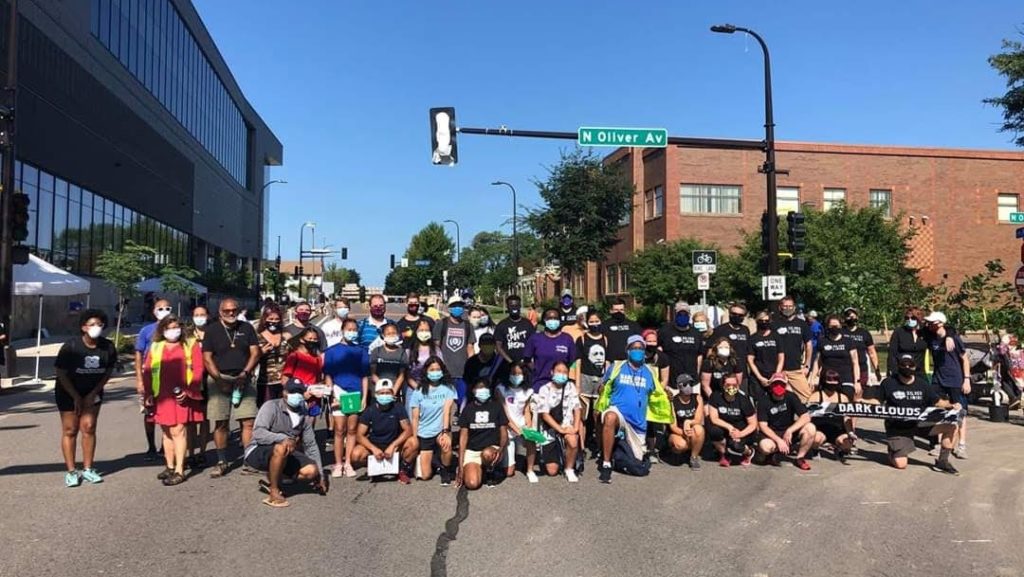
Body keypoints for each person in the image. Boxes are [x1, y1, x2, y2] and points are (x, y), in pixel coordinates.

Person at [55, 309, 117, 487]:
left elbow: (108, 371)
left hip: (92, 391)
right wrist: (75, 396)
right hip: (68, 391)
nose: (96, 327)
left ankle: (88, 468)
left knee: (88, 427)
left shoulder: (108, 346)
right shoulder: (71, 346)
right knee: (70, 430)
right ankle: (71, 471)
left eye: (99, 324)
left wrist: (93, 393)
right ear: (83, 327)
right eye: (92, 324)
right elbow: (60, 372)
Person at [201, 298, 261, 478]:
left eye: (234, 310)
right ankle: (222, 461)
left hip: (243, 378)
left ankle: (249, 460)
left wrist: (245, 373)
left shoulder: (246, 328)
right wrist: (218, 380)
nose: (231, 313)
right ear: (220, 312)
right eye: (227, 311)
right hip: (219, 378)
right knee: (221, 423)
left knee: (248, 421)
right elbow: (207, 358)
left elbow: (255, 352)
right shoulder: (212, 330)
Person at [244, 379, 328, 508]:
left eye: (299, 392)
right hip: (258, 450)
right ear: (284, 393)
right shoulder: (271, 406)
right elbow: (258, 433)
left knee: (311, 471)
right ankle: (274, 492)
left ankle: (274, 479)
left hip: (285, 452)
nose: (296, 395)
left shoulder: (303, 414)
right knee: (281, 447)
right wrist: (282, 438)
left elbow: (311, 444)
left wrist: (320, 475)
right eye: (292, 391)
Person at [143, 315, 205, 486]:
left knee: (178, 431)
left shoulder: (190, 344)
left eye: (176, 327)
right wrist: (148, 393)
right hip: (161, 395)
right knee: (166, 432)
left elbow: (198, 369)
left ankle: (179, 470)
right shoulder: (156, 346)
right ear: (162, 330)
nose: (173, 331)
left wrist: (189, 390)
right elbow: (148, 370)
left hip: (182, 394)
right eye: (169, 328)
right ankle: (169, 466)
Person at [877, 354, 961, 475]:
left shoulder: (922, 384)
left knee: (952, 426)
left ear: (915, 366)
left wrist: (952, 405)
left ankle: (943, 461)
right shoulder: (888, 383)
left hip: (920, 424)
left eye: (910, 365)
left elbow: (937, 402)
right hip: (898, 428)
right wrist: (860, 403)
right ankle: (892, 452)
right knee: (901, 465)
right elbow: (876, 401)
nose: (907, 367)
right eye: (903, 365)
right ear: (898, 366)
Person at [596, 335, 661, 484]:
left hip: (637, 423)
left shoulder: (651, 372)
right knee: (610, 417)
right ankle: (606, 463)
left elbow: (657, 395)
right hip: (618, 412)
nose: (637, 351)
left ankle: (617, 449)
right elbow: (603, 386)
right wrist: (601, 390)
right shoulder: (616, 367)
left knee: (637, 465)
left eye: (640, 348)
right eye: (634, 348)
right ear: (627, 350)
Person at [324, 318, 370, 478]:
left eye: (354, 329)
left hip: (355, 393)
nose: (352, 332)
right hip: (338, 391)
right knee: (339, 430)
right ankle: (338, 463)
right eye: (349, 329)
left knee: (352, 430)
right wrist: (331, 395)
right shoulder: (332, 351)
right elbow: (328, 374)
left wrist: (364, 397)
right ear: (342, 330)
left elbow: (365, 376)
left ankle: (348, 462)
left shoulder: (361, 351)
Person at [922, 311, 970, 459]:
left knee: (960, 411)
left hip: (955, 380)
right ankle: (938, 443)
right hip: (938, 379)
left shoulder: (954, 338)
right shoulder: (931, 337)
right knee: (938, 408)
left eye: (933, 323)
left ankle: (961, 445)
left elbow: (965, 358)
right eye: (929, 323)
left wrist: (966, 379)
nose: (930, 325)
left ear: (941, 323)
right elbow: (919, 327)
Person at [406, 356, 458, 485]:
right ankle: (434, 460)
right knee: (425, 475)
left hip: (440, 429)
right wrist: (414, 437)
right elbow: (415, 416)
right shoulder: (418, 391)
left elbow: (447, 412)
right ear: (426, 372)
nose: (435, 372)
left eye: (438, 369)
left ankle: (445, 469)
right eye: (432, 369)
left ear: (442, 371)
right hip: (424, 432)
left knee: (446, 445)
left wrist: (445, 432)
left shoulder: (448, 389)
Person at [351, 380, 414, 483]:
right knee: (356, 455)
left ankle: (402, 470)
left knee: (413, 442)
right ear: (376, 395)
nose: (385, 395)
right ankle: (374, 469)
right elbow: (359, 435)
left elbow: (408, 430)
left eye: (388, 393)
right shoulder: (369, 411)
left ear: (392, 394)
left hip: (394, 444)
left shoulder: (398, 407)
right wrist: (373, 449)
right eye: (382, 393)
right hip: (375, 444)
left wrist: (393, 446)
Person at [756, 373, 819, 470]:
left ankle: (800, 458)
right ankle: (772, 454)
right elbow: (762, 426)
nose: (778, 386)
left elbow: (806, 417)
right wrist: (778, 440)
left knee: (810, 428)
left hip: (788, 431)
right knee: (765, 447)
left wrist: (790, 430)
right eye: (776, 384)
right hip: (772, 432)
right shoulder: (763, 400)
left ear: (785, 385)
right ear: (771, 385)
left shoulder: (791, 396)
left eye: (781, 384)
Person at [135, 298, 172, 460]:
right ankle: (151, 447)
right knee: (149, 412)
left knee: (168, 412)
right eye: (160, 308)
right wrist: (139, 379)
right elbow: (138, 355)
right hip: (149, 375)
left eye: (167, 308)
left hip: (170, 377)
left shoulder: (174, 329)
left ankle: (166, 446)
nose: (163, 311)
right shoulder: (146, 330)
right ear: (154, 311)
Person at [533, 361, 582, 482]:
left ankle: (569, 468)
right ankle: (555, 455)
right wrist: (559, 429)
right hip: (549, 429)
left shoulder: (570, 386)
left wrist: (575, 427)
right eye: (558, 371)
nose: (562, 374)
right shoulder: (545, 389)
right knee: (552, 471)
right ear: (552, 372)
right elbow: (544, 414)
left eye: (565, 372)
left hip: (566, 424)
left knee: (573, 440)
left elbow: (577, 408)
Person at [457, 379, 509, 490]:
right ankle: (480, 470)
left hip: (491, 449)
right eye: (479, 388)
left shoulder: (497, 407)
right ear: (473, 391)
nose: (482, 391)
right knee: (472, 483)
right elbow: (463, 437)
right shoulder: (468, 409)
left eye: (485, 388)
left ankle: (490, 470)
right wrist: (461, 465)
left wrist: (501, 450)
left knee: (487, 453)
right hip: (473, 450)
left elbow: (504, 432)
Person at [496, 361, 538, 481]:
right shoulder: (501, 389)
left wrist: (528, 428)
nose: (516, 376)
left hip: (521, 425)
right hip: (507, 428)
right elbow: (505, 415)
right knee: (509, 472)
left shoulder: (528, 391)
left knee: (531, 440)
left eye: (519, 374)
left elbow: (526, 411)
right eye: (513, 373)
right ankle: (507, 459)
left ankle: (530, 469)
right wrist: (518, 430)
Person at [574, 310, 607, 454]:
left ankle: (600, 447)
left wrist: (606, 381)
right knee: (582, 416)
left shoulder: (605, 339)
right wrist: (577, 383)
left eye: (597, 321)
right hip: (585, 378)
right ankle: (581, 447)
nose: (594, 324)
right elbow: (578, 362)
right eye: (591, 321)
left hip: (600, 380)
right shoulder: (581, 339)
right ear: (587, 322)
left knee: (598, 416)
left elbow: (607, 362)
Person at [433, 294, 476, 405]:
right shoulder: (441, 324)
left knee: (462, 401)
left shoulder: (467, 326)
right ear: (449, 308)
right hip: (445, 372)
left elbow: (470, 348)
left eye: (460, 306)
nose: (458, 308)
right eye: (455, 305)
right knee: (443, 402)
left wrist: (472, 366)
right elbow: (436, 347)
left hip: (462, 372)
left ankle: (460, 418)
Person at [706, 375, 757, 467]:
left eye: (734, 385)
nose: (731, 387)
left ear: (738, 386)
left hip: (741, 430)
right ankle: (725, 454)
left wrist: (740, 434)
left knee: (736, 446)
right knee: (712, 429)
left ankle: (749, 452)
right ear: (723, 385)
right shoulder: (715, 396)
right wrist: (730, 427)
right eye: (728, 384)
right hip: (725, 427)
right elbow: (714, 418)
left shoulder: (744, 400)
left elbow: (753, 424)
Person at [523, 308, 577, 391]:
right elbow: (527, 359)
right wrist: (536, 370)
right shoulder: (535, 338)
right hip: (539, 385)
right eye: (549, 318)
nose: (553, 321)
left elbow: (572, 361)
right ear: (544, 320)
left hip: (561, 385)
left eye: (555, 318)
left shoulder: (567, 339)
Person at [809, 369, 855, 462]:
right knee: (816, 439)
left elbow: (847, 417)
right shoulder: (816, 396)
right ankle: (815, 450)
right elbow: (808, 415)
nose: (832, 384)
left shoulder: (842, 398)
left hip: (837, 429)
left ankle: (839, 449)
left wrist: (850, 432)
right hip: (820, 429)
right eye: (829, 381)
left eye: (835, 381)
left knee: (848, 442)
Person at [773, 296, 813, 402]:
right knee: (779, 398)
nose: (788, 308)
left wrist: (807, 365)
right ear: (780, 307)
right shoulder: (774, 324)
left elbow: (808, 344)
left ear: (794, 307)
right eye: (785, 306)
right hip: (778, 370)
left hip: (796, 369)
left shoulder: (802, 324)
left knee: (808, 399)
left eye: (790, 306)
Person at [811, 315, 860, 400]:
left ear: (841, 326)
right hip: (827, 379)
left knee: (846, 403)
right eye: (832, 326)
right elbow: (817, 362)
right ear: (827, 327)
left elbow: (855, 363)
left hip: (845, 379)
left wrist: (857, 381)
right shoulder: (822, 341)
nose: (834, 328)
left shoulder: (848, 342)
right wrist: (812, 378)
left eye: (836, 326)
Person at [186, 305, 211, 469]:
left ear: (208, 316)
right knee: (189, 420)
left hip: (209, 380)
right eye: (196, 314)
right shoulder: (187, 334)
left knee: (204, 418)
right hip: (191, 380)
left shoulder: (213, 333)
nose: (199, 317)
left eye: (202, 314)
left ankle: (202, 452)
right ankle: (190, 454)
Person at [657, 301, 704, 388]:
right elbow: (659, 351)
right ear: (675, 314)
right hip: (671, 382)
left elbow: (699, 355)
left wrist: (697, 374)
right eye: (680, 314)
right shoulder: (665, 331)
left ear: (689, 315)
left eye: (685, 314)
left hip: (692, 381)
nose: (683, 316)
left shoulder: (696, 333)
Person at [665, 374, 705, 470]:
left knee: (699, 429)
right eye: (686, 384)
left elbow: (698, 420)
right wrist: (685, 434)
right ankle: (677, 453)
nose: (689, 387)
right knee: (680, 445)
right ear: (679, 386)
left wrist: (688, 422)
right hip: (677, 432)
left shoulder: (697, 398)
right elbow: (673, 427)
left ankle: (694, 457)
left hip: (692, 430)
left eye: (691, 384)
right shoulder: (673, 401)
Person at [494, 294, 535, 385]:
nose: (514, 308)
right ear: (507, 307)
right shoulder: (502, 325)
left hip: (525, 365)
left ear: (520, 306)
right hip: (507, 365)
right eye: (511, 306)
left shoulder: (527, 324)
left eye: (516, 305)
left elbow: (533, 344)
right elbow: (498, 346)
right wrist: (511, 362)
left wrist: (526, 361)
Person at [842, 307, 881, 398]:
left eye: (853, 316)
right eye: (848, 316)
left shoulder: (864, 333)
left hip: (861, 369)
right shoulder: (841, 332)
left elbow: (872, 352)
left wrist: (877, 370)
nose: (851, 318)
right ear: (844, 318)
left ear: (857, 317)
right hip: (845, 368)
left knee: (859, 392)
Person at [255, 306, 289, 406]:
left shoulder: (286, 335)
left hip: (284, 381)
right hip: (265, 382)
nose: (274, 322)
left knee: (283, 412)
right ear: (264, 319)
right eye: (270, 319)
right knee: (267, 412)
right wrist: (260, 352)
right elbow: (249, 357)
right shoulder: (257, 336)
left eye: (277, 319)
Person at [711, 303, 752, 386]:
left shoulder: (745, 330)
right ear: (729, 314)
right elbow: (711, 350)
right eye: (734, 314)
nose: (737, 316)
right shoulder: (720, 330)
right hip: (724, 372)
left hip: (742, 372)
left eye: (740, 315)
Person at [406, 318, 440, 414]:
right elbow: (406, 374)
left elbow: (441, 369)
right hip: (414, 389)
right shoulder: (409, 351)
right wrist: (418, 387)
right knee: (412, 419)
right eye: (421, 330)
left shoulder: (436, 350)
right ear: (416, 332)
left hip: (433, 389)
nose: (424, 333)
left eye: (427, 330)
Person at [748, 310, 784, 401]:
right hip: (758, 376)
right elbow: (750, 360)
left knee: (777, 399)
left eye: (766, 321)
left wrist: (776, 375)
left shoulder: (776, 336)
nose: (764, 323)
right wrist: (760, 377)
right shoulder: (752, 338)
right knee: (759, 402)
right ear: (757, 321)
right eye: (761, 321)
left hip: (774, 375)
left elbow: (781, 357)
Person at [371, 323, 409, 404]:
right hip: (378, 390)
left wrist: (393, 391)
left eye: (393, 333)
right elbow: (373, 373)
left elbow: (401, 375)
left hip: (394, 391)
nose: (391, 335)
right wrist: (382, 388)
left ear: (398, 335)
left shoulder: (402, 352)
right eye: (388, 333)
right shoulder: (376, 351)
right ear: (383, 335)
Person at [887, 307, 928, 378]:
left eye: (913, 318)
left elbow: (945, 328)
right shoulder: (899, 332)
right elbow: (892, 354)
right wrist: (892, 370)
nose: (910, 320)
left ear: (919, 318)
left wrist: (949, 335)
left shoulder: (925, 332)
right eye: (907, 318)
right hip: (902, 371)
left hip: (919, 373)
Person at [604, 298, 641, 362]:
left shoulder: (633, 325)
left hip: (630, 361)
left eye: (621, 310)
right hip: (610, 362)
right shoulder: (604, 325)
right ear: (611, 311)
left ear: (625, 311)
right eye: (616, 310)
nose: (619, 312)